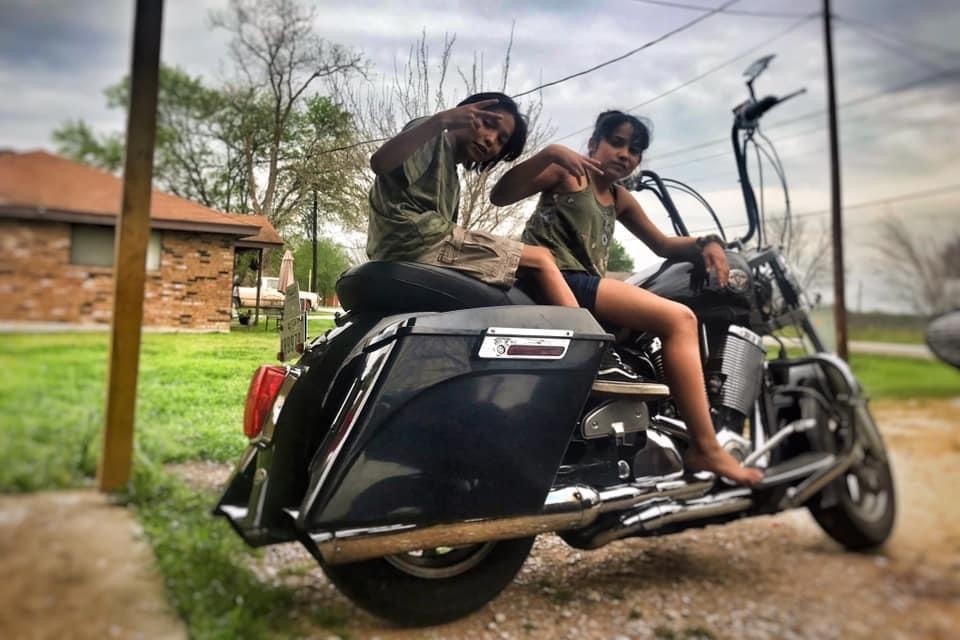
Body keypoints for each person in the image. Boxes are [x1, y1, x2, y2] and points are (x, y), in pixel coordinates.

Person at [490, 110, 763, 486]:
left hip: (581, 286)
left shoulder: (619, 198)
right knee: (680, 319)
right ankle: (706, 447)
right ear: (593, 143)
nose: (625, 154)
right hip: (554, 278)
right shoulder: (569, 174)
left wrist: (708, 243)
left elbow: (663, 244)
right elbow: (500, 195)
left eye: (634, 150)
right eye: (616, 142)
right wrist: (549, 154)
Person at [366, 92, 578, 307]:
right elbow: (381, 163)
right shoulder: (431, 133)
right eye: (488, 124)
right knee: (541, 258)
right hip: (415, 242)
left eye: (501, 140)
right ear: (465, 112)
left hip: (411, 245)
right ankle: (584, 328)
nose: (491, 139)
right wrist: (441, 120)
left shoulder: (451, 176)